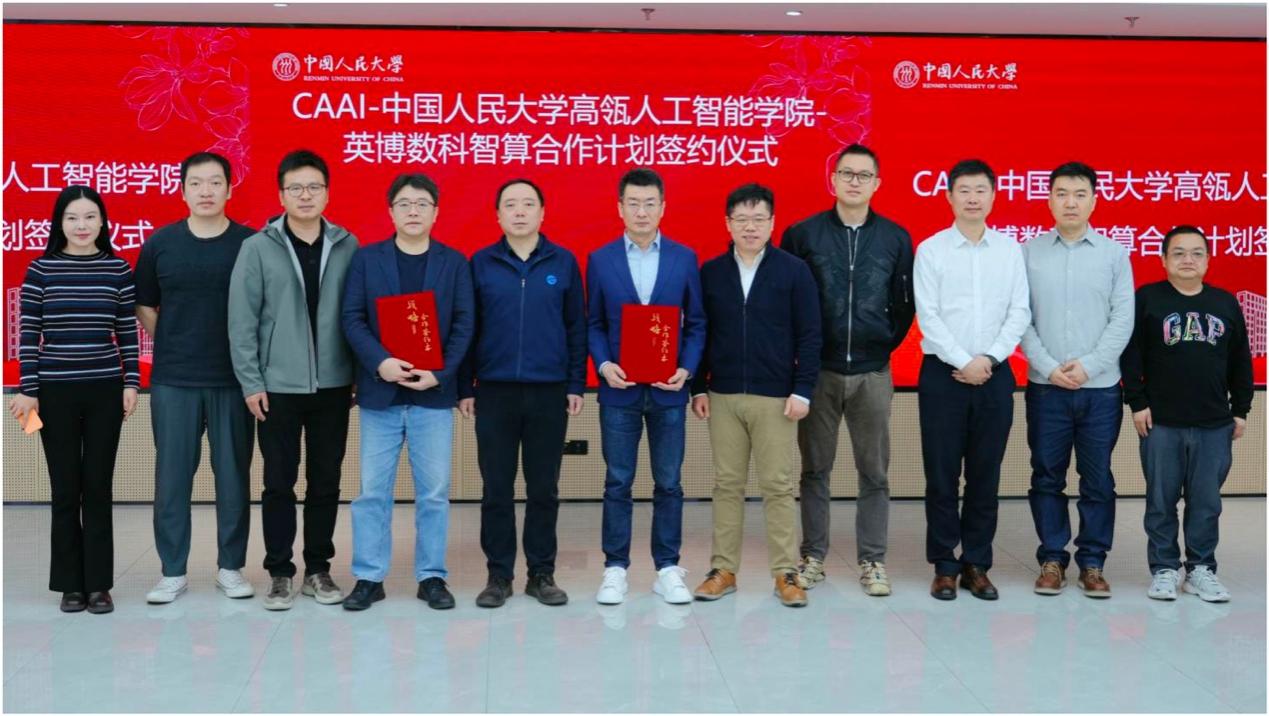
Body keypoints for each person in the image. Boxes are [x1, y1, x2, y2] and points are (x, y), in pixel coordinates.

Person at [780, 143, 915, 596]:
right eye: (847, 174)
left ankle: (872, 561)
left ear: (877, 184)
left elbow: (904, 306)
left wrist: (881, 343)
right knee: (814, 470)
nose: (855, 182)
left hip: (873, 373)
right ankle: (813, 557)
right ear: (833, 179)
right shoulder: (803, 235)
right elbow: (789, 304)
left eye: (864, 175)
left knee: (874, 473)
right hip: (819, 371)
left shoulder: (896, 238)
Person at [228, 149, 357, 610]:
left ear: (327, 193)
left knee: (326, 481)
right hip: (277, 387)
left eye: (314, 187)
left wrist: (356, 374)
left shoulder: (347, 245)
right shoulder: (258, 247)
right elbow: (242, 321)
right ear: (281, 195)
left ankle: (318, 569)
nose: (305, 195)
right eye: (296, 188)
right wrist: (251, 382)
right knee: (278, 483)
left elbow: (357, 315)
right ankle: (280, 572)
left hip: (334, 385)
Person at [340, 173, 474, 611]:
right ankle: (369, 576)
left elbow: (464, 324)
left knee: (433, 493)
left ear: (436, 212)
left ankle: (432, 576)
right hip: (380, 393)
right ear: (390, 211)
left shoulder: (454, 263)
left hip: (432, 396)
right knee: (372, 493)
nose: (413, 211)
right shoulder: (366, 260)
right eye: (404, 204)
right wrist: (380, 362)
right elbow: (352, 318)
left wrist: (442, 373)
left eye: (421, 204)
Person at [9, 186, 140, 614]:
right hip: (55, 392)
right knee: (65, 490)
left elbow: (126, 331)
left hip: (105, 390)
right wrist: (28, 389)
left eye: (89, 217)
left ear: (102, 222)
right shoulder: (41, 269)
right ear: (59, 223)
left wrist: (131, 383)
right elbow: (29, 334)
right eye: (72, 217)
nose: (81, 225)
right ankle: (70, 585)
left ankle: (98, 585)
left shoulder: (117, 269)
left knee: (98, 488)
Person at [689, 183, 821, 608]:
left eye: (758, 219)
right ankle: (723, 570)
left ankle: (785, 573)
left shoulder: (794, 271)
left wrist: (803, 390)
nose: (750, 227)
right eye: (741, 219)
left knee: (778, 486)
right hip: (723, 394)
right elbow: (700, 332)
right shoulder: (711, 272)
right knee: (727, 484)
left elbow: (810, 335)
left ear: (772, 222)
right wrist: (697, 387)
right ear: (727, 223)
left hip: (776, 397)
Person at [135, 152, 257, 605]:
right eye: (196, 183)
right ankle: (172, 571)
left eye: (215, 182)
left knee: (233, 477)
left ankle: (231, 567)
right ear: (182, 190)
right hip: (174, 380)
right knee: (172, 479)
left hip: (234, 380)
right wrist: (171, 339)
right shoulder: (161, 243)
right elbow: (143, 303)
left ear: (230, 188)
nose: (206, 191)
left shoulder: (250, 244)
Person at [459, 178, 585, 608]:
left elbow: (576, 328)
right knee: (496, 488)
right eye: (510, 204)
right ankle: (498, 575)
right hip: (494, 392)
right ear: (497, 215)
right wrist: (465, 386)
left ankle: (541, 573)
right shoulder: (481, 263)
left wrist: (575, 383)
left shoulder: (563, 262)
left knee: (543, 488)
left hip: (549, 392)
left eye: (528, 204)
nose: (519, 211)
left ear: (542, 213)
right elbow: (467, 329)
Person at [587, 167, 706, 605]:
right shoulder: (600, 259)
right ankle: (615, 568)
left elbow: (696, 323)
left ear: (663, 208)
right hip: (618, 390)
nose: (641, 211)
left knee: (669, 482)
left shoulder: (683, 258)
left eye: (649, 203)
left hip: (667, 390)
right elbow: (593, 323)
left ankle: (667, 567)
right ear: (619, 208)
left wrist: (686, 370)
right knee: (618, 481)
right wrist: (603, 364)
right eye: (633, 203)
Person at [914, 158, 1030, 601]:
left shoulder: (1009, 250)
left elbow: (1019, 310)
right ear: (949, 197)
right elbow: (929, 316)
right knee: (941, 475)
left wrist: (989, 358)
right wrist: (964, 360)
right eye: (964, 190)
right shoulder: (931, 250)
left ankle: (977, 564)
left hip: (994, 375)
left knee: (985, 474)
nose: (973, 198)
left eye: (981, 190)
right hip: (942, 375)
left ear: (994, 196)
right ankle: (945, 565)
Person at [1020, 161, 1134, 598]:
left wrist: (1089, 366)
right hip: (1046, 387)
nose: (1070, 202)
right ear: (1049, 200)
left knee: (1097, 478)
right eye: (1062, 193)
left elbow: (1122, 320)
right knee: (1047, 476)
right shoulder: (1028, 253)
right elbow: (1020, 317)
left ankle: (1092, 562)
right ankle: (1052, 558)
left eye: (1080, 194)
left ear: (1094, 200)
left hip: (1100, 390)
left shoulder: (1114, 255)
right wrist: (1049, 366)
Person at [1121, 225, 1253, 603]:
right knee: (1160, 501)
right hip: (1161, 422)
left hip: (1214, 423)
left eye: (1197, 253)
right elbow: (1131, 355)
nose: (1188, 260)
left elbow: (1240, 360)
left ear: (1208, 260)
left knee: (1206, 502)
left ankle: (1200, 569)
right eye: (1178, 253)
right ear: (1164, 259)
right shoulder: (1147, 299)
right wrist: (1137, 403)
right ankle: (1164, 568)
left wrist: (1241, 410)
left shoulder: (1225, 303)